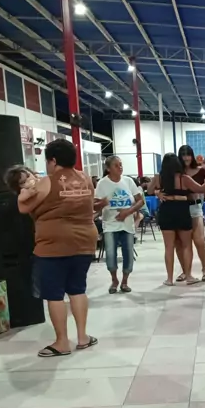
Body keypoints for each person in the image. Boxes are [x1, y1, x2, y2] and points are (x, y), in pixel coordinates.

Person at [15, 139, 98, 358]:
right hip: (84, 241)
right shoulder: (86, 178)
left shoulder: (46, 182)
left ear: (52, 160)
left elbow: (24, 207)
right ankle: (82, 337)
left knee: (54, 294)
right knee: (77, 289)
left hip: (53, 244)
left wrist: (24, 194)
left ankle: (62, 342)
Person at [148, 153, 205, 286]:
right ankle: (188, 276)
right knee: (186, 245)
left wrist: (157, 192)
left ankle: (169, 279)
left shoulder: (158, 178)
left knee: (169, 247)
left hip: (166, 210)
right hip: (182, 210)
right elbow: (201, 189)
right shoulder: (184, 178)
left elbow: (148, 191)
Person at [94, 155, 145, 294]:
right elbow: (94, 206)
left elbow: (140, 201)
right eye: (116, 165)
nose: (120, 167)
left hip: (127, 225)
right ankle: (114, 279)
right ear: (108, 168)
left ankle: (125, 281)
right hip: (110, 224)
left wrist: (128, 212)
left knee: (128, 253)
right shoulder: (102, 184)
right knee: (110, 254)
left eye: (121, 164)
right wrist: (102, 203)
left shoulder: (128, 181)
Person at [177, 145, 205, 282]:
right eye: (183, 155)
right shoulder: (177, 172)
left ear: (192, 156)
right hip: (180, 209)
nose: (186, 158)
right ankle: (185, 271)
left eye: (188, 154)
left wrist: (204, 188)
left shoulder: (201, 171)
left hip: (195, 207)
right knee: (180, 243)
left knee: (199, 241)